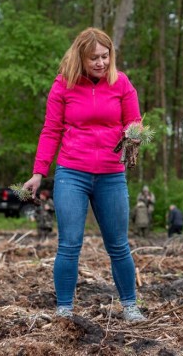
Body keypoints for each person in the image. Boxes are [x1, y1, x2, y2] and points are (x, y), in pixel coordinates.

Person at [22, 27, 146, 322]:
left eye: (105, 56)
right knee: (69, 242)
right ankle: (64, 309)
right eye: (94, 58)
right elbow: (51, 130)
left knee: (118, 244)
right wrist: (39, 173)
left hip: (111, 174)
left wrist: (134, 136)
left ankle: (130, 306)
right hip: (72, 172)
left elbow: (135, 121)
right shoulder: (63, 85)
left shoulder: (121, 83)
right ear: (81, 57)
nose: (101, 63)